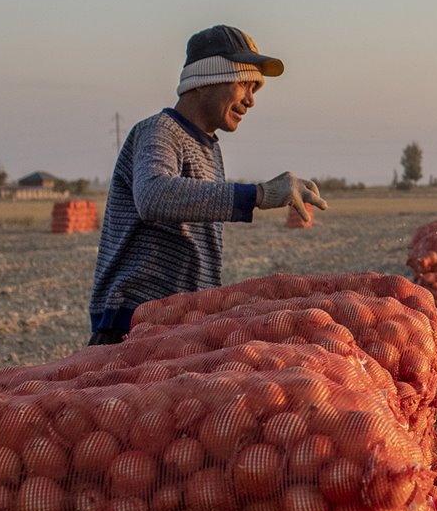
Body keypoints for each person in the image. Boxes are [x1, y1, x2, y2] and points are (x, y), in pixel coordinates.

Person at [86, 25, 327, 344]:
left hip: (179, 323)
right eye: (245, 84)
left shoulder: (209, 149)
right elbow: (153, 194)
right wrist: (258, 195)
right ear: (206, 79)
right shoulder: (160, 132)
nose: (251, 101)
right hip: (132, 325)